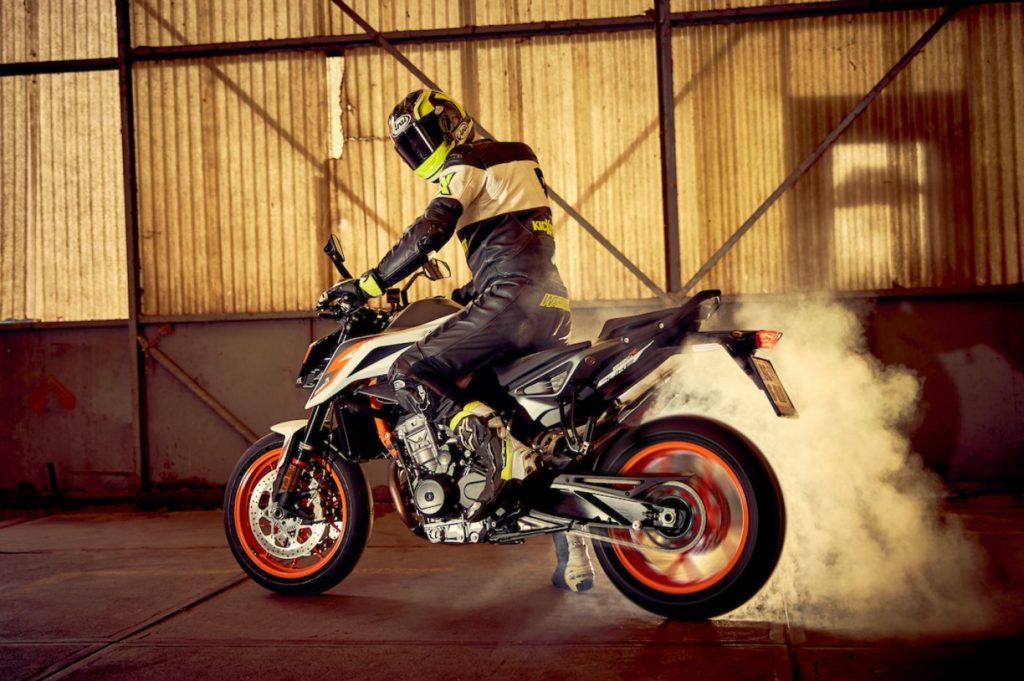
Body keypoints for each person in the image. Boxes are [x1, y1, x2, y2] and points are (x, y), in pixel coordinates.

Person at [320, 89, 593, 592]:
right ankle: (575, 551)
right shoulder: (515, 158)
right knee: (533, 427)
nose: (424, 149)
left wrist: (369, 284)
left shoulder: (468, 163)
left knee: (408, 371)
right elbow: (518, 244)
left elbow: (430, 230)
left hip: (513, 301)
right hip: (550, 302)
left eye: (427, 135)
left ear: (452, 125)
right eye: (413, 145)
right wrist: (461, 293)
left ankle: (494, 449)